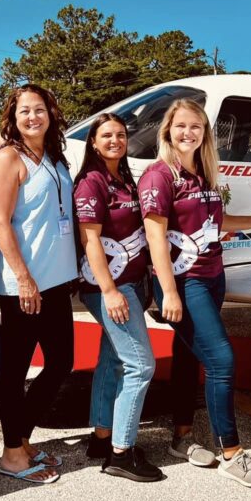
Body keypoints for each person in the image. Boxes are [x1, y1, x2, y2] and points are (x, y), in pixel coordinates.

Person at [139, 98, 251, 489]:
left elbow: (215, 221)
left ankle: (182, 438)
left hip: (214, 277)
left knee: (187, 357)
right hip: (186, 282)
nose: (189, 133)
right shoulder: (159, 176)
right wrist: (168, 293)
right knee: (221, 360)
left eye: (196, 127)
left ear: (205, 133)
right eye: (181, 126)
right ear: (168, 131)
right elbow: (155, 238)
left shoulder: (201, 173)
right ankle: (232, 452)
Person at [0, 84, 77, 484]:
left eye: (38, 109)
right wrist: (24, 278)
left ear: (50, 112)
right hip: (22, 285)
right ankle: (12, 454)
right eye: (24, 111)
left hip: (56, 281)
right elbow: (0, 221)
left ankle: (20, 439)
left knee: (61, 363)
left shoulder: (57, 158)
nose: (32, 117)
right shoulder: (9, 158)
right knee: (16, 369)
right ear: (13, 116)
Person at [74, 113, 161, 482]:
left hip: (133, 283)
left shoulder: (123, 178)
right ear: (93, 142)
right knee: (141, 365)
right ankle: (122, 453)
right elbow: (89, 239)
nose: (115, 140)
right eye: (106, 135)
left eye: (121, 135)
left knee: (112, 361)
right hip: (109, 287)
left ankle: (101, 437)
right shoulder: (91, 183)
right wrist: (109, 291)